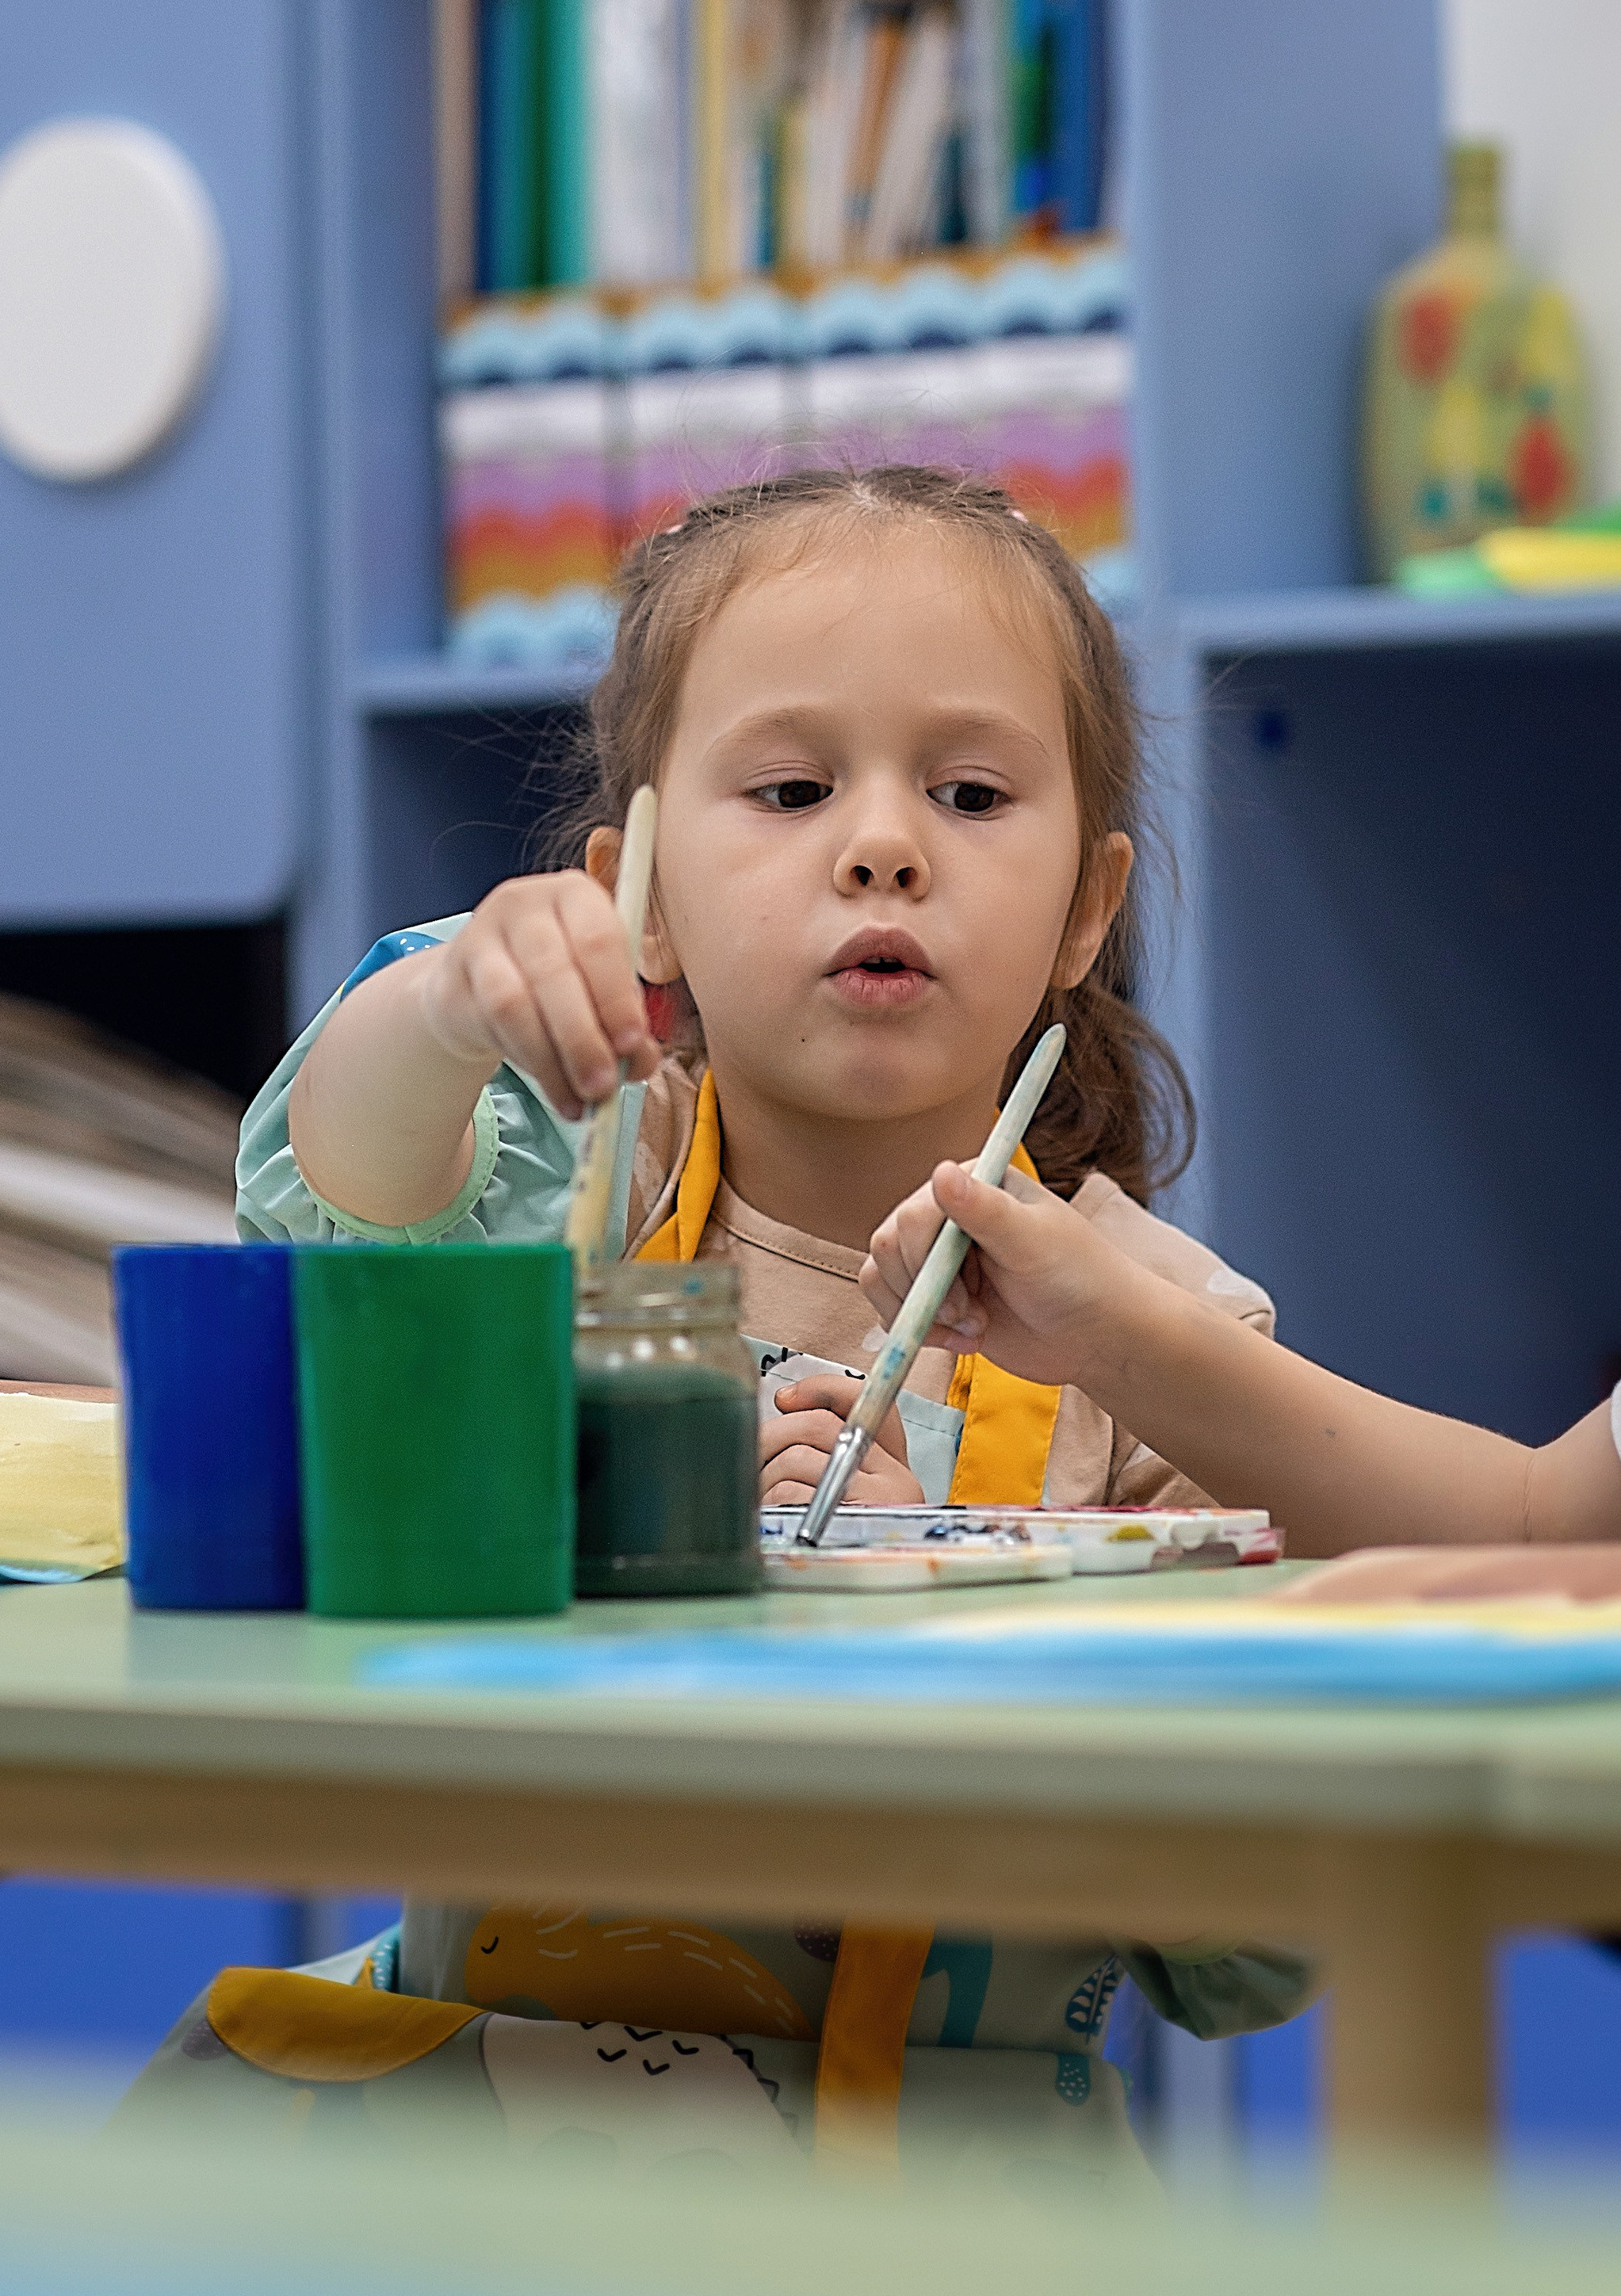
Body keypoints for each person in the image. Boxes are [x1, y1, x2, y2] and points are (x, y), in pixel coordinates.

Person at [128, 469, 1313, 2172]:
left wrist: (977, 1598)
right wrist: (454, 1003)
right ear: (643, 895)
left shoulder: (1165, 1342)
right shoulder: (573, 1187)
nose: (882, 840)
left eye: (970, 790)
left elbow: (1253, 1940)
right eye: (787, 786)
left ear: (1083, 909)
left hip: (947, 2189)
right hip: (499, 2133)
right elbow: (335, 1203)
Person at [858, 1148, 1621, 1557]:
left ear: (1089, 919)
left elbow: (1535, 1527)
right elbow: (1537, 1518)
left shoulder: (1183, 1290)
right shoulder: (1085, 1305)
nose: (885, 852)